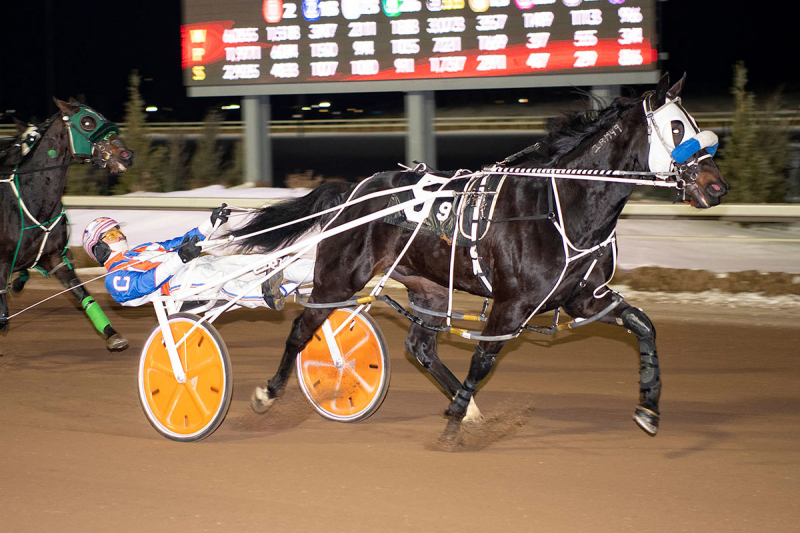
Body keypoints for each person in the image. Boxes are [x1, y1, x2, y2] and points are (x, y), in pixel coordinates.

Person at [82, 205, 314, 310]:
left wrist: (211, 223)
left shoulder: (143, 249)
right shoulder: (114, 278)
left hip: (197, 264)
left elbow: (181, 242)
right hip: (176, 286)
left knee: (256, 261)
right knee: (219, 278)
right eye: (110, 234)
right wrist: (179, 259)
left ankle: (317, 272)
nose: (119, 235)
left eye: (117, 230)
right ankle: (268, 294)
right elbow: (144, 284)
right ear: (99, 249)